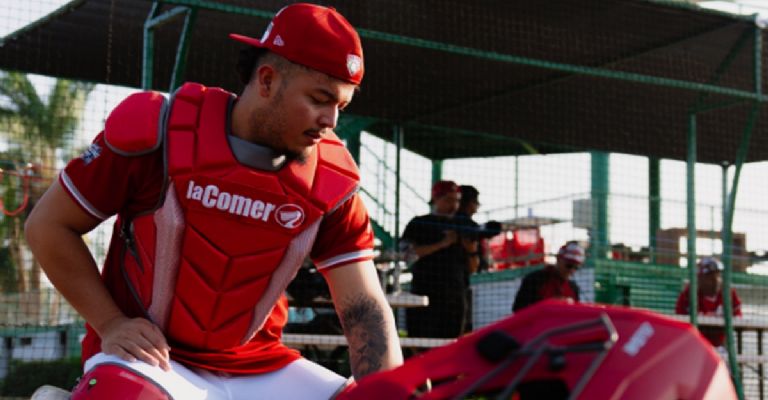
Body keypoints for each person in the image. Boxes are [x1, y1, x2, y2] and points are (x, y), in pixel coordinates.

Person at [24, 4, 403, 399]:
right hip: (150, 358)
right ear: (267, 80)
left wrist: (390, 388)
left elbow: (363, 307)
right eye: (320, 99)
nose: (331, 120)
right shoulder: (160, 132)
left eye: (341, 106)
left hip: (261, 368)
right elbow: (49, 225)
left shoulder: (332, 181)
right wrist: (111, 323)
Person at [402, 181, 477, 338]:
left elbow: (473, 269)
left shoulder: (464, 226)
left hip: (455, 298)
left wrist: (471, 250)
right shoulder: (419, 223)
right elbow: (407, 256)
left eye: (457, 200)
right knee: (421, 342)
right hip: (424, 295)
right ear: (436, 199)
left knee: (452, 343)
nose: (453, 205)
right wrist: (442, 244)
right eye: (449, 200)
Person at [454, 185, 501, 332]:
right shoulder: (465, 225)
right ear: (469, 203)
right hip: (458, 286)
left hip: (462, 282)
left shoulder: (466, 226)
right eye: (476, 203)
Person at [675, 257, 742, 347]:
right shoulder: (689, 294)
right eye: (710, 277)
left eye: (718, 275)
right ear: (700, 278)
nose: (716, 281)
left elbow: (738, 318)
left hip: (720, 346)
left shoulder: (728, 292)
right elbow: (680, 319)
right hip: (694, 344)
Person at [512, 241, 584, 312]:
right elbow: (519, 309)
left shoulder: (573, 288)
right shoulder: (535, 280)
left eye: (576, 268)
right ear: (558, 259)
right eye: (569, 266)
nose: (572, 271)